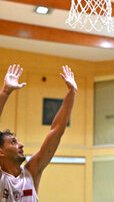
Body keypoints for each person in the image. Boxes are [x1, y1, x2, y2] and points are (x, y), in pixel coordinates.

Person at [0, 64, 77, 201]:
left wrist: (72, 92)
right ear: (1, 151)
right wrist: (5, 92)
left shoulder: (31, 172)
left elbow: (56, 130)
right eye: (13, 142)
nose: (21, 144)